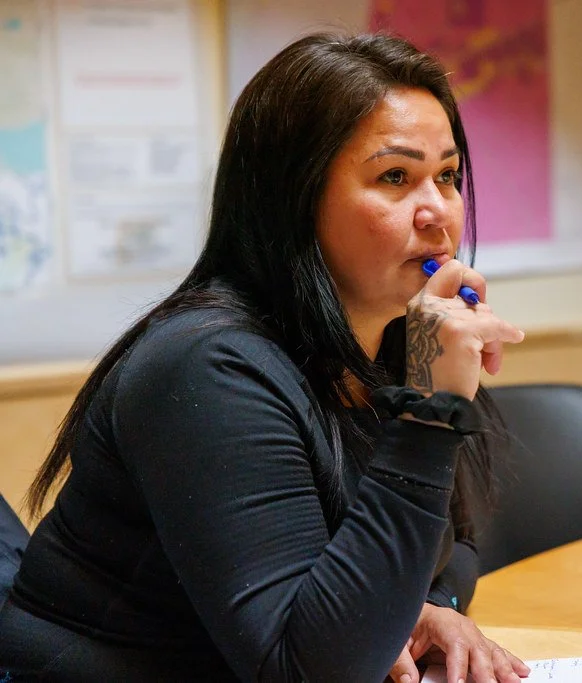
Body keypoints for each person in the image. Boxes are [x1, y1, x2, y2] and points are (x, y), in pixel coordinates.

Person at [0, 33, 531, 683]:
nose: (438, 214)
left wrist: (426, 607)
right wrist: (429, 414)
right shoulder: (208, 367)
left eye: (447, 176)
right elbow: (306, 670)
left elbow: (457, 542)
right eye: (395, 177)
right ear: (294, 198)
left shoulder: (405, 342)